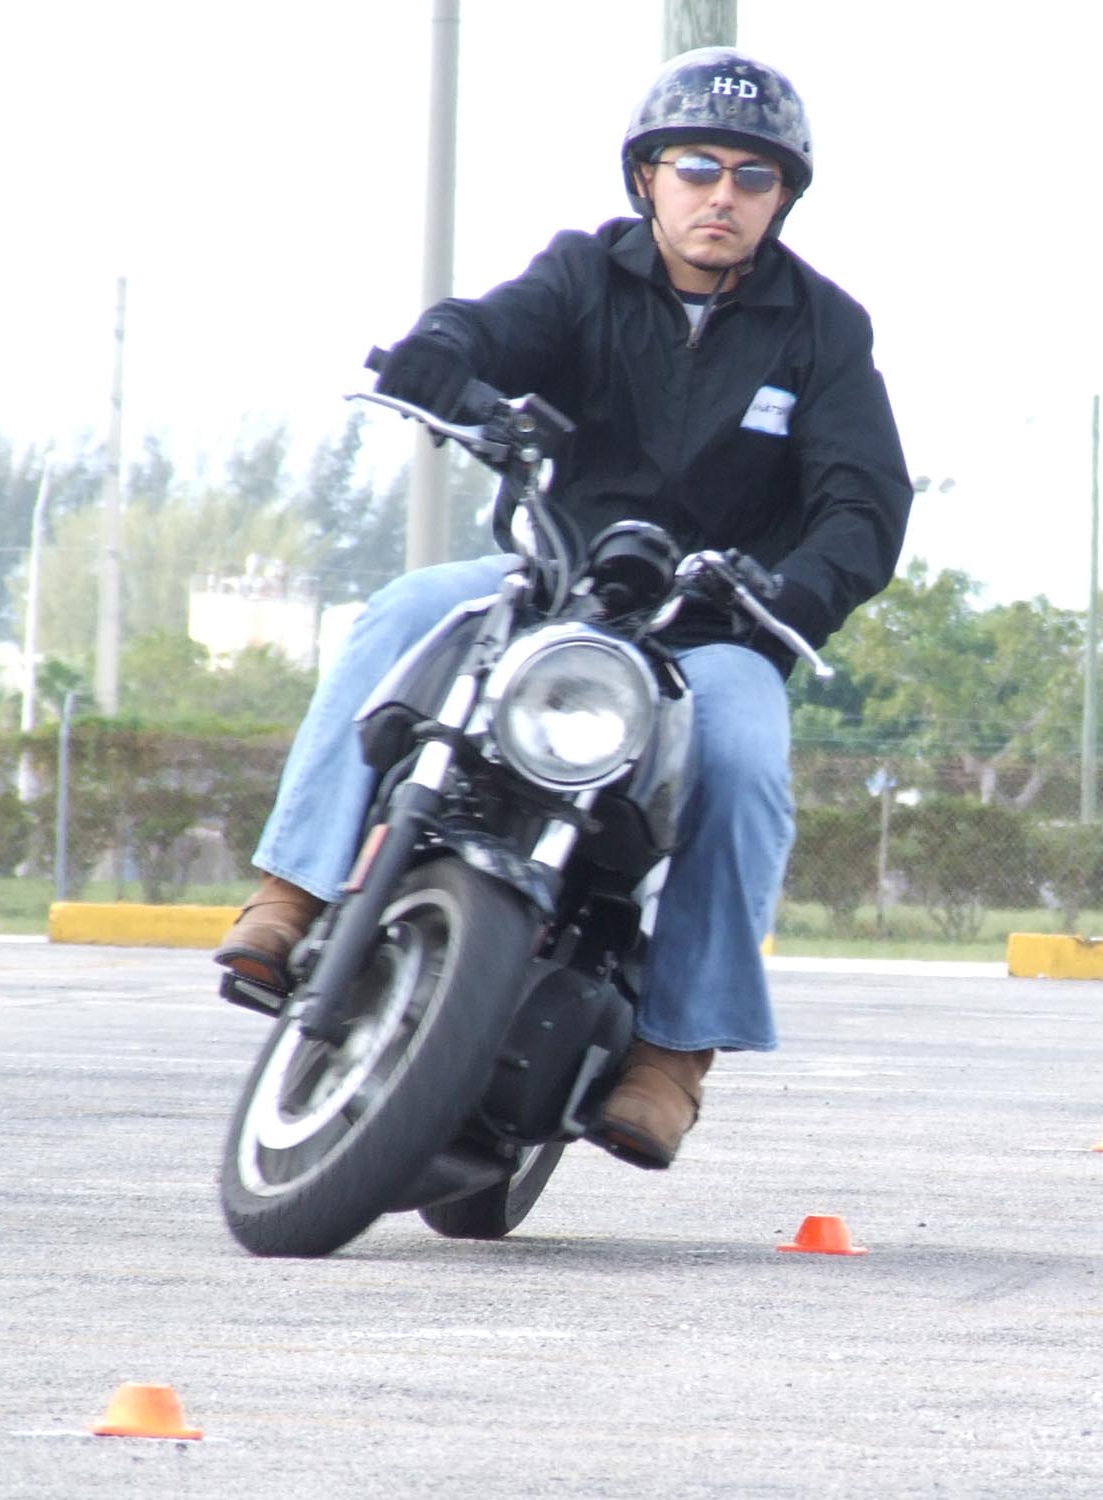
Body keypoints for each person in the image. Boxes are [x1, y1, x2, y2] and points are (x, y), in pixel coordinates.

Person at [216, 47, 912, 1170]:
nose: (722, 195)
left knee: (747, 766)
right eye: (697, 167)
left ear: (783, 197)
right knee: (402, 611)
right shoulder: (584, 273)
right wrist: (443, 353)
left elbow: (863, 502)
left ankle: (674, 1056)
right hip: (553, 582)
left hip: (711, 628)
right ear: (648, 177)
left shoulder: (824, 328)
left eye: (753, 176)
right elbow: (493, 328)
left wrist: (796, 589)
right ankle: (292, 892)